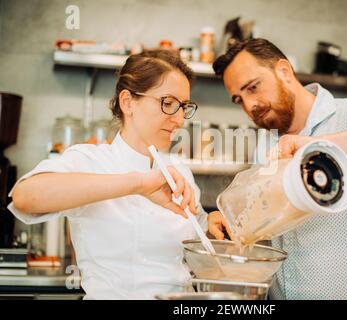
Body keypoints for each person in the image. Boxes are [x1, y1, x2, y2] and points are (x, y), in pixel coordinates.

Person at [210, 38, 347, 300]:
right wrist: (233, 221)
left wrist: (319, 147)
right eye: (238, 99)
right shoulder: (265, 145)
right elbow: (273, 225)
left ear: (284, 71)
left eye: (253, 87)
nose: (249, 106)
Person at [9, 50, 223, 299]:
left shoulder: (180, 170)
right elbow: (25, 197)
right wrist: (138, 184)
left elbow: (194, 240)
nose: (178, 119)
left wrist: (210, 226)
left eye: (183, 106)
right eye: (168, 103)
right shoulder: (90, 160)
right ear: (128, 102)